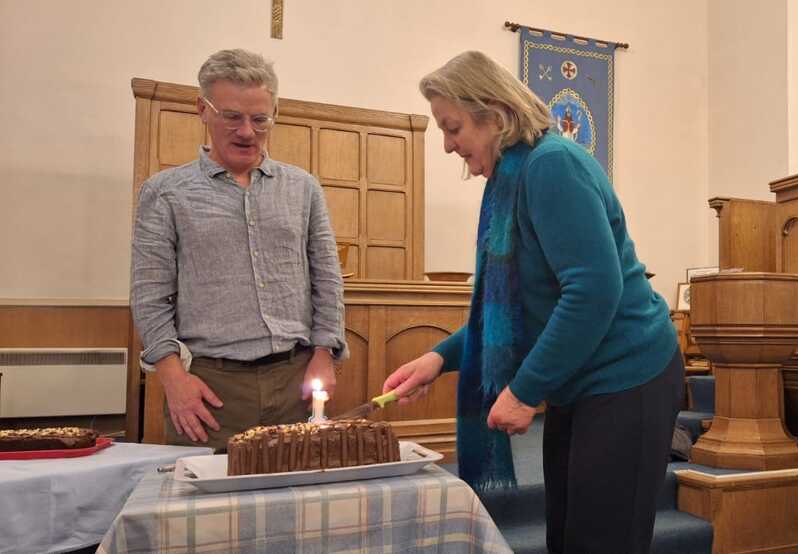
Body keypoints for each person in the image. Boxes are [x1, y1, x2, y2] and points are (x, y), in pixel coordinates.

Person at [382, 51, 683, 554]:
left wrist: (524, 390)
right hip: (581, 384)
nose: (447, 145)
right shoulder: (512, 177)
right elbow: (513, 307)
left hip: (628, 378)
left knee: (603, 542)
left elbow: (592, 291)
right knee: (568, 538)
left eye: (453, 127)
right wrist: (438, 359)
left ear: (494, 114)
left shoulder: (552, 167)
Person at [131, 49, 346, 448]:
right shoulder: (165, 193)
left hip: (295, 381)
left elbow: (327, 279)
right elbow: (149, 296)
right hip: (209, 391)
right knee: (209, 508)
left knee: (298, 502)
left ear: (274, 113)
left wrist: (324, 354)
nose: (247, 131)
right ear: (203, 110)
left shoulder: (303, 188)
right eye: (232, 116)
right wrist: (173, 379)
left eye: (260, 119)